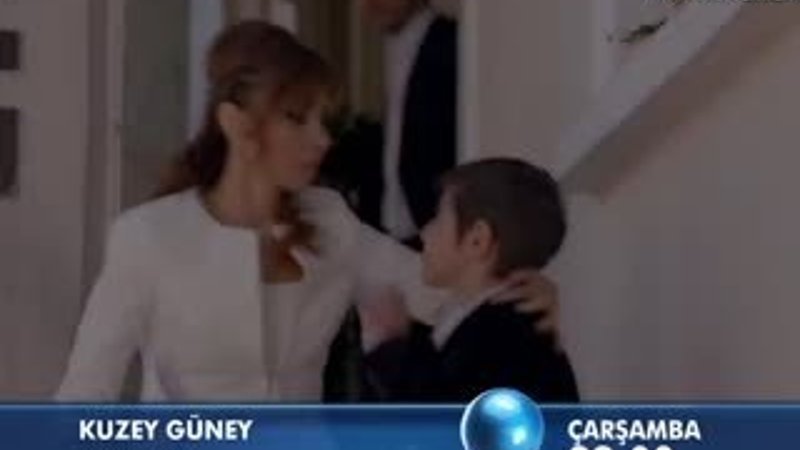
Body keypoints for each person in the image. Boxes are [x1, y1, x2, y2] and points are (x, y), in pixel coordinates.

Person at [56, 21, 558, 402]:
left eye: (324, 119)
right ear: (236, 124)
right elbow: (83, 396)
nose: (321, 139)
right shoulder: (147, 236)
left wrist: (517, 298)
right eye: (296, 118)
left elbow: (443, 296)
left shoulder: (329, 221)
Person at [363, 158, 580, 402]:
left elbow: (438, 414)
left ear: (477, 240)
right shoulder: (500, 335)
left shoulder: (501, 348)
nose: (425, 233)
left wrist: (391, 346)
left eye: (439, 219)